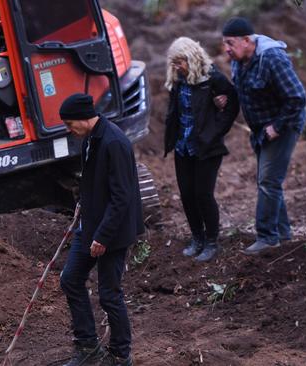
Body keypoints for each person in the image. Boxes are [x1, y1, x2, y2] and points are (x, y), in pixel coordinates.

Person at [58, 93, 144, 366]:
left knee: (109, 294)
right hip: (91, 225)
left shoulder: (114, 142)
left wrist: (102, 236)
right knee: (70, 279)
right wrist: (83, 204)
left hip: (112, 233)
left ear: (85, 117)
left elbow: (122, 197)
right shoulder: (90, 140)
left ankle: (120, 355)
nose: (68, 130)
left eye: (70, 124)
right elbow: (94, 183)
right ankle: (88, 347)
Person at [220, 17, 306, 255]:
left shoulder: (272, 59)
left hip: (284, 123)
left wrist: (277, 127)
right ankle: (283, 233)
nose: (226, 49)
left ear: (247, 40)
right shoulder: (239, 61)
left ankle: (268, 237)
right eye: (224, 44)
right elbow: (242, 91)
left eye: (230, 43)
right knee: (268, 180)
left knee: (268, 180)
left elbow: (297, 98)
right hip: (261, 128)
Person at [163, 37, 239, 262]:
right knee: (187, 195)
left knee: (203, 194)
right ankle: (197, 238)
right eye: (174, 63)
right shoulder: (178, 81)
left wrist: (216, 131)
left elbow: (232, 103)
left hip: (206, 147)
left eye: (180, 62)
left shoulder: (211, 78)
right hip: (183, 146)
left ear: (192, 58)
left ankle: (212, 241)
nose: (177, 67)